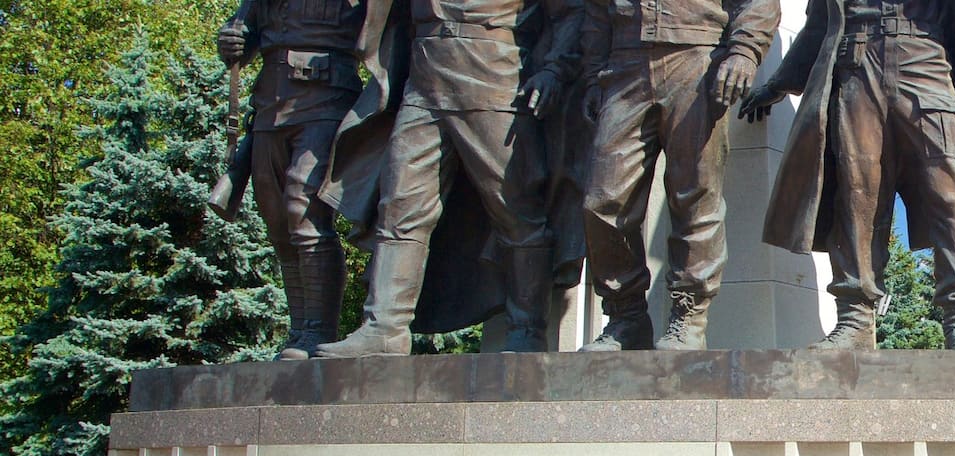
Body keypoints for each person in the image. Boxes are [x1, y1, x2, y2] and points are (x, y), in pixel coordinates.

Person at [739, 0, 955, 349]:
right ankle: (854, 318)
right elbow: (818, 28)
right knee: (856, 196)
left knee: (950, 197)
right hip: (855, 68)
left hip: (925, 65)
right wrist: (778, 84)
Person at [317, 0, 580, 357]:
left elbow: (569, 11)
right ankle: (385, 327)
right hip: (424, 74)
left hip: (494, 71)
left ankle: (527, 329)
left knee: (516, 207)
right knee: (401, 204)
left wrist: (554, 69)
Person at [572, 0, 780, 351]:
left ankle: (689, 316)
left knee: (695, 194)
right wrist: (593, 76)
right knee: (603, 201)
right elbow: (595, 13)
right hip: (624, 65)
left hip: (697, 58)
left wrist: (745, 50)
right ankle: (626, 315)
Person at [212, 0, 366, 360]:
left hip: (327, 98)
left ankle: (318, 331)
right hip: (270, 105)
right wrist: (232, 42)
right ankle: (299, 331)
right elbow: (244, 36)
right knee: (278, 220)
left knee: (303, 210)